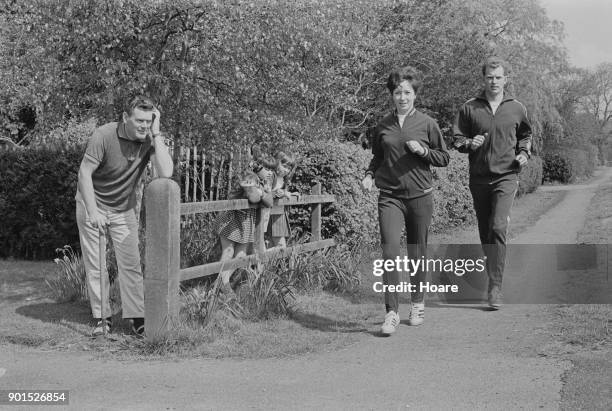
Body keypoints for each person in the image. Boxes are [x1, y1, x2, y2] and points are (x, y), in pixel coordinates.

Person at [362, 67, 450, 335]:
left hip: (420, 197)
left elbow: (444, 158)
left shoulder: (427, 123)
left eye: (407, 92)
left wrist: (423, 151)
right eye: (398, 92)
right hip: (390, 196)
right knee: (389, 252)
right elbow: (377, 158)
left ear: (415, 95)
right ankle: (391, 313)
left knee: (416, 253)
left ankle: (417, 302)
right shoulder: (383, 125)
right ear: (392, 94)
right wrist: (368, 175)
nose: (402, 97)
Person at [76, 95, 173, 336]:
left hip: (124, 207)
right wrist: (93, 210)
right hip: (92, 202)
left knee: (130, 264)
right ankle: (102, 318)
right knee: (96, 263)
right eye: (139, 120)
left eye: (149, 121)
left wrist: (157, 134)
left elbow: (166, 173)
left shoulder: (150, 139)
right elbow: (84, 174)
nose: (144, 126)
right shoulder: (104, 135)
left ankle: (136, 317)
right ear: (124, 118)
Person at [453, 56, 532, 310]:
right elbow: (456, 138)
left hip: (506, 176)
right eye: (489, 76)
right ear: (483, 78)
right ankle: (493, 277)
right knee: (486, 232)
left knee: (498, 226)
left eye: (498, 77)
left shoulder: (516, 107)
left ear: (505, 79)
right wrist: (468, 143)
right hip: (478, 178)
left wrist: (523, 153)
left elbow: (525, 135)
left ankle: (495, 287)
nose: (494, 81)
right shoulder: (469, 108)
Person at [213, 170, 269, 294]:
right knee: (228, 252)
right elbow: (241, 198)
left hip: (246, 224)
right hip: (230, 221)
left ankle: (221, 281)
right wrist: (249, 190)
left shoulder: (259, 190)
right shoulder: (238, 192)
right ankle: (224, 285)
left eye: (252, 182)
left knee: (241, 255)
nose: (249, 184)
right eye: (247, 182)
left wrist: (260, 192)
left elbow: (265, 201)